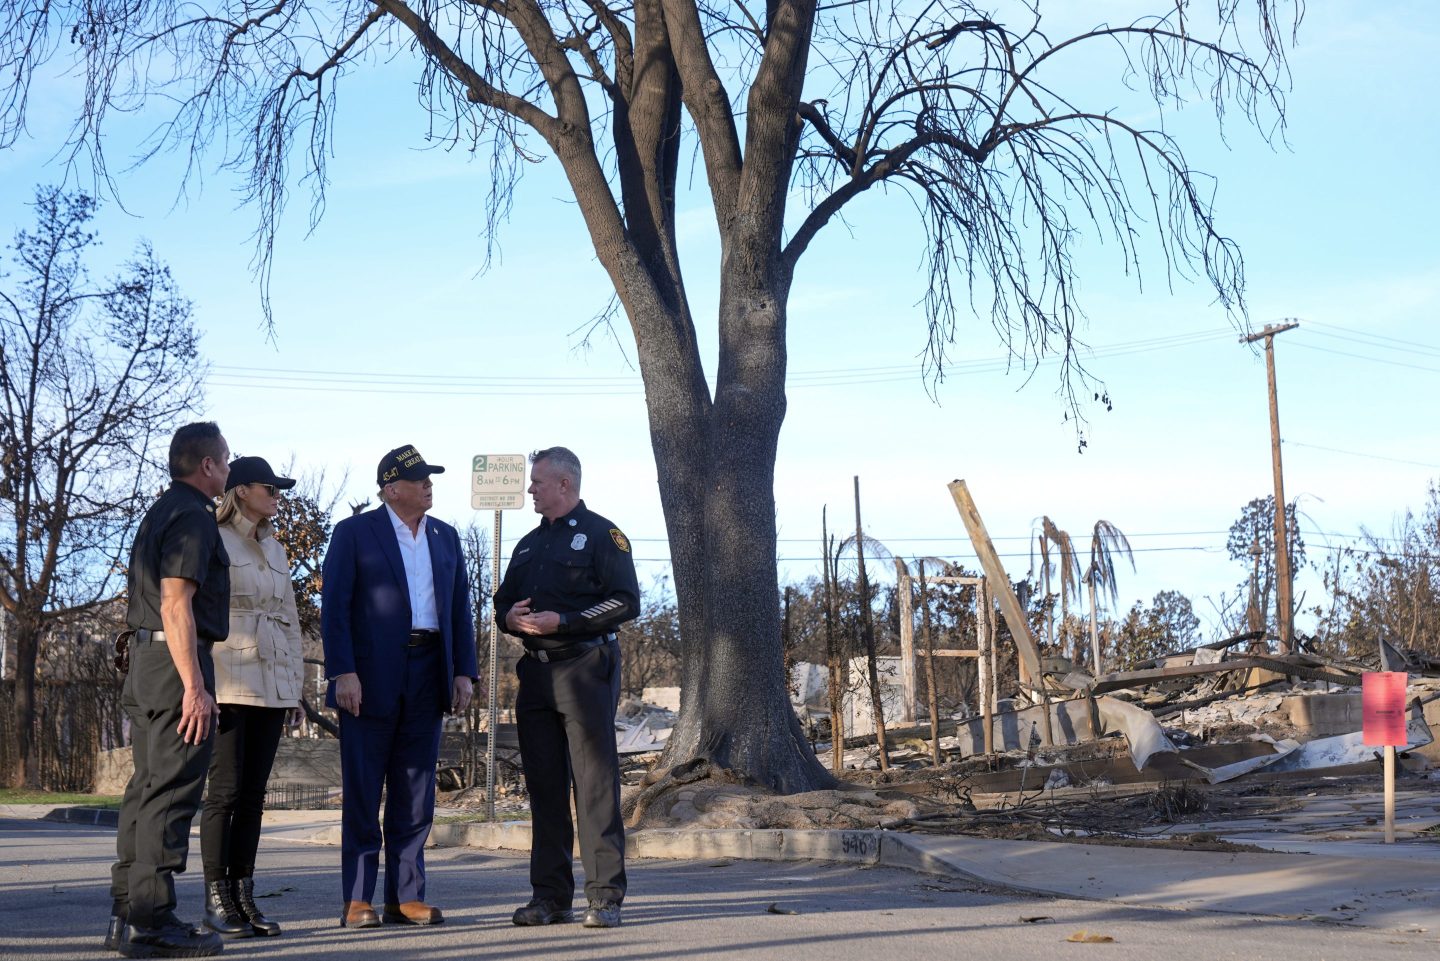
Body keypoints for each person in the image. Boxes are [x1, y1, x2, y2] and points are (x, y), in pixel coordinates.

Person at [322, 445, 476, 929]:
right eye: (419, 479)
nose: (429, 484)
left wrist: (464, 672)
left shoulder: (447, 538)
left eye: (431, 477)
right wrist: (342, 671)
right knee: (365, 789)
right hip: (369, 677)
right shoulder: (354, 534)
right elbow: (335, 608)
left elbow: (460, 613)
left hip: (429, 670)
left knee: (416, 790)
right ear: (391, 489)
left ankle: (407, 896)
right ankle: (357, 899)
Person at [494, 446, 639, 929]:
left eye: (536, 481)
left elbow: (625, 601)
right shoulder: (529, 545)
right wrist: (508, 617)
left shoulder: (603, 535)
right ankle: (551, 897)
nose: (530, 489)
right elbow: (503, 604)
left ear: (564, 484)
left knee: (594, 785)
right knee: (545, 788)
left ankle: (605, 897)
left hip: (585, 668)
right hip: (535, 675)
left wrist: (568, 620)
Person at [108, 422, 231, 959]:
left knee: (146, 786)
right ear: (207, 465)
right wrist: (195, 688)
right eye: (225, 462)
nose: (227, 471)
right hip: (172, 659)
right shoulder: (191, 517)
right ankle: (154, 922)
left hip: (146, 659)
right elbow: (177, 603)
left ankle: (128, 908)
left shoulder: (160, 509)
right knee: (172, 788)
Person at [199, 457, 304, 939]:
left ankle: (243, 891)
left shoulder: (278, 551)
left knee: (255, 795)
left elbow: (291, 620)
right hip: (226, 676)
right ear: (240, 491)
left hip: (272, 680)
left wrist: (295, 687)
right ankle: (216, 896)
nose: (277, 495)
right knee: (225, 791)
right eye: (270, 487)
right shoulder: (212, 538)